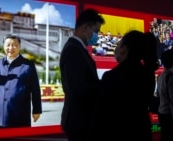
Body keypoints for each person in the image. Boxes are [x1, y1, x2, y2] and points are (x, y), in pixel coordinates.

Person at [90, 30, 159, 141]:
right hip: (141, 132)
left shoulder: (112, 77)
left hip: (118, 133)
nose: (116, 48)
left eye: (119, 44)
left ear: (124, 49)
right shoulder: (148, 74)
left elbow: (100, 116)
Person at [59, 8, 105, 141]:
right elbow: (78, 88)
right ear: (85, 28)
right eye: (96, 31)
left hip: (81, 119)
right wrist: (104, 85)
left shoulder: (78, 49)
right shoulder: (73, 50)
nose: (97, 35)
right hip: (79, 120)